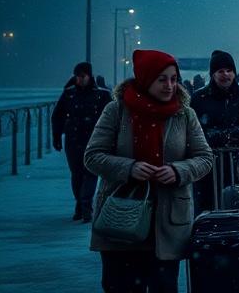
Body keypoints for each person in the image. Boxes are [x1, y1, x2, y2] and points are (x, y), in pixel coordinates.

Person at [85, 49, 213, 292]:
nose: (170, 86)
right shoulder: (116, 111)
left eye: (173, 79)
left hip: (167, 221)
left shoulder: (184, 114)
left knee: (163, 285)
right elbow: (93, 156)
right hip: (121, 217)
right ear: (145, 78)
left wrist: (178, 171)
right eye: (162, 79)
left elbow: (205, 158)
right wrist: (129, 168)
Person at [190, 50, 239, 213]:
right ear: (213, 74)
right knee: (211, 206)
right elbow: (192, 129)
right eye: (220, 71)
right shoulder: (199, 98)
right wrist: (211, 136)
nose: (226, 75)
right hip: (209, 165)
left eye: (229, 70)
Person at [52, 61, 113, 222]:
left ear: (89, 76)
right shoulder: (69, 94)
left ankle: (85, 205)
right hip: (73, 140)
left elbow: (112, 117)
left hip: (94, 140)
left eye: (82, 76)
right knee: (77, 174)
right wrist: (56, 137)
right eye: (77, 76)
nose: (79, 79)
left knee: (90, 172)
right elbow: (57, 116)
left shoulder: (101, 95)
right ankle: (80, 204)